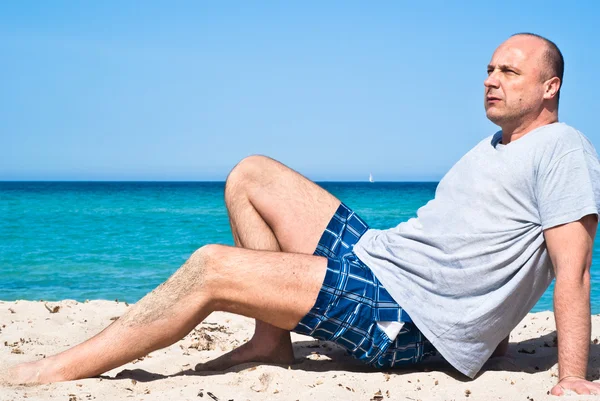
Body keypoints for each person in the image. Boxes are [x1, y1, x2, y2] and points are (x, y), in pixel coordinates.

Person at [4, 32, 600, 396]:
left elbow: (570, 270)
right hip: (382, 265)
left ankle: (57, 368)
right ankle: (270, 342)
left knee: (213, 267)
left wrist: (570, 376)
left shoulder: (562, 150)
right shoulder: (495, 146)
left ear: (550, 87)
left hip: (403, 317)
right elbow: (477, 248)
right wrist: (493, 335)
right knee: (251, 173)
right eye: (489, 70)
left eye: (509, 72)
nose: (491, 81)